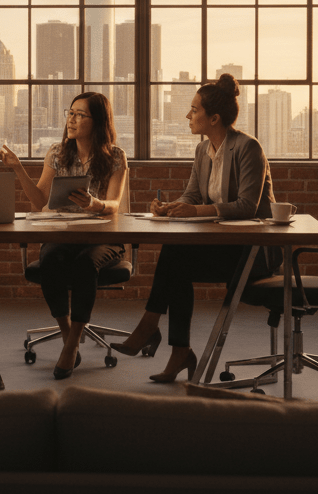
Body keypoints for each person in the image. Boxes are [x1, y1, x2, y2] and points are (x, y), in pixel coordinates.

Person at [109, 73, 275, 383]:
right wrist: (170, 207)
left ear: (214, 118)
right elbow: (193, 195)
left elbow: (246, 207)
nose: (188, 115)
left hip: (253, 253)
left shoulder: (248, 148)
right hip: (224, 247)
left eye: (194, 110)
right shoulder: (203, 151)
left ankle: (152, 329)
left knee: (176, 258)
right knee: (176, 257)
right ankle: (177, 350)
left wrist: (194, 210)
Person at [0, 92, 127, 380]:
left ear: (98, 121)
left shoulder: (115, 156)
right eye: (70, 112)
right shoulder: (57, 152)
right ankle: (69, 337)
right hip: (62, 233)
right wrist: (18, 170)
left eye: (80, 115)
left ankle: (72, 342)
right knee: (50, 258)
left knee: (85, 265)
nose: (72, 120)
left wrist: (94, 204)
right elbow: (39, 201)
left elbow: (114, 204)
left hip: (102, 235)